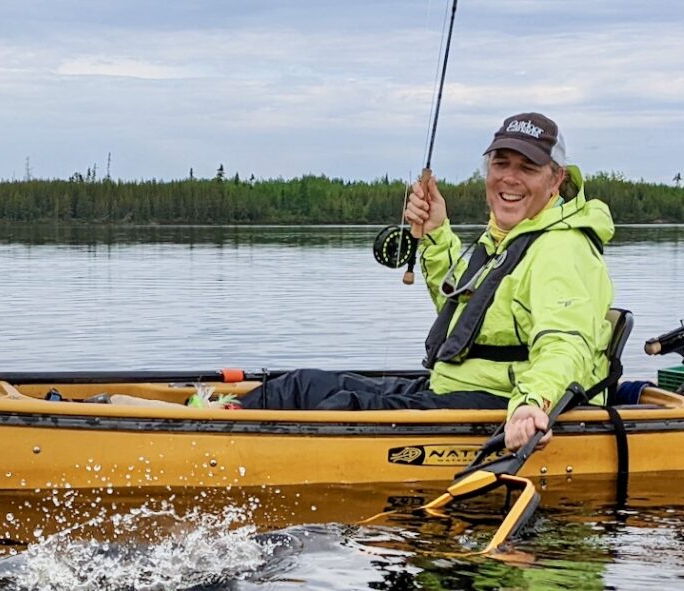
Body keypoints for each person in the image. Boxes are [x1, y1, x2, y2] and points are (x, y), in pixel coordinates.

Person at [239, 111, 615, 450]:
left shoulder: (563, 248)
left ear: (556, 179)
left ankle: (225, 453)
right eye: (501, 163)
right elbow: (462, 317)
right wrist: (435, 233)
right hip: (453, 388)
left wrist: (533, 404)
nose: (510, 178)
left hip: (502, 402)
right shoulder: (506, 236)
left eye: (528, 168)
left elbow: (566, 343)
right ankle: (207, 418)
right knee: (302, 385)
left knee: (341, 408)